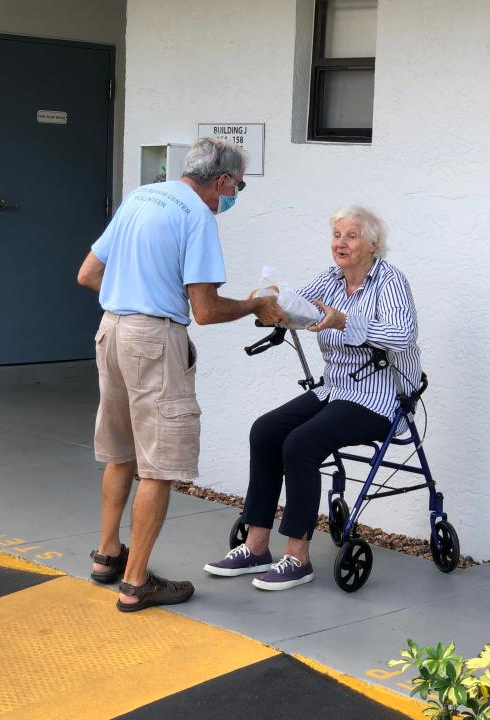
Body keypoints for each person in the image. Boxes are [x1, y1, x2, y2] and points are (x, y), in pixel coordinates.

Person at [77, 138, 287, 612]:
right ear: (222, 180)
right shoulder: (197, 216)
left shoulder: (141, 197)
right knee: (160, 464)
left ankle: (107, 556)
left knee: (121, 452)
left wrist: (133, 293)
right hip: (154, 340)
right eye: (237, 186)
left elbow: (89, 274)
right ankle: (136, 583)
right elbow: (207, 310)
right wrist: (256, 304)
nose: (234, 195)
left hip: (110, 331)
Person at [203, 206, 421, 591]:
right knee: (266, 431)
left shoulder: (390, 282)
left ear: (373, 244)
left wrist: (346, 321)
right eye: (337, 235)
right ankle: (255, 547)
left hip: (379, 400)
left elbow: (403, 336)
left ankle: (298, 557)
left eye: (351, 236)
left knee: (301, 443)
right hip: (334, 389)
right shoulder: (332, 279)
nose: (341, 243)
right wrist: (270, 301)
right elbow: (295, 304)